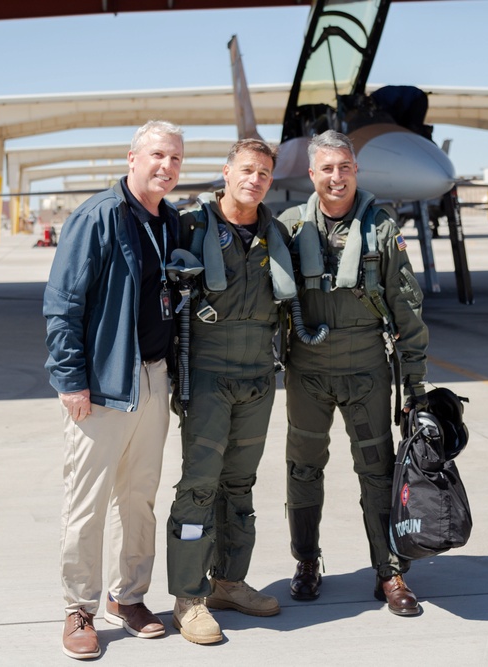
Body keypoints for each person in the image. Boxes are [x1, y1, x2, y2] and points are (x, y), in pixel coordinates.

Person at [43, 120, 184, 660]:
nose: (165, 167)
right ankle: (78, 608)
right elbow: (62, 304)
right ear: (132, 158)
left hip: (153, 377)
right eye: (156, 156)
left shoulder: (169, 221)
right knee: (88, 503)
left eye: (174, 159)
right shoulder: (98, 216)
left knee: (140, 498)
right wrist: (70, 379)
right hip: (102, 385)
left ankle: (127, 597)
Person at [279, 129, 429, 616]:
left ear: (355, 171)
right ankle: (306, 562)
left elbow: (406, 307)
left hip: (366, 371)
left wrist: (415, 384)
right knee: (303, 469)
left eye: (344, 167)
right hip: (307, 374)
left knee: (377, 472)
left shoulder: (381, 228)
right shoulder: (289, 227)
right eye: (327, 168)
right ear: (312, 174)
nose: (336, 177)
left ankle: (389, 572)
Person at [166, 138, 296, 644]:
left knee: (239, 486)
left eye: (264, 173)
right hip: (208, 377)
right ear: (226, 172)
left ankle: (229, 582)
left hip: (258, 379)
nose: (256, 179)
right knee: (199, 486)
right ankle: (188, 597)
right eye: (247, 170)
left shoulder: (276, 234)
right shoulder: (192, 227)